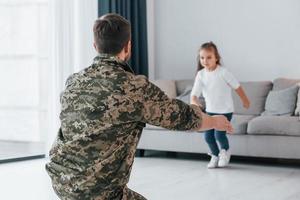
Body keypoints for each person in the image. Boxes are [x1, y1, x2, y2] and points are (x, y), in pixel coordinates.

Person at [45, 14, 233, 200]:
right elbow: (182, 117)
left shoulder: (73, 81)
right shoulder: (133, 87)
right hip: (101, 192)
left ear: (95, 46)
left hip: (61, 181)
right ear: (128, 47)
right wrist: (216, 121)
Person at [190, 41, 250, 169]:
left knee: (219, 134)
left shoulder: (223, 72)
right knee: (207, 136)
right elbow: (194, 94)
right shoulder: (201, 75)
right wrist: (195, 102)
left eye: (209, 57)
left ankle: (225, 151)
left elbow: (237, 87)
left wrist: (245, 100)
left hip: (225, 110)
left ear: (216, 58)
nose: (205, 61)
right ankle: (215, 155)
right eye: (202, 58)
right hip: (210, 111)